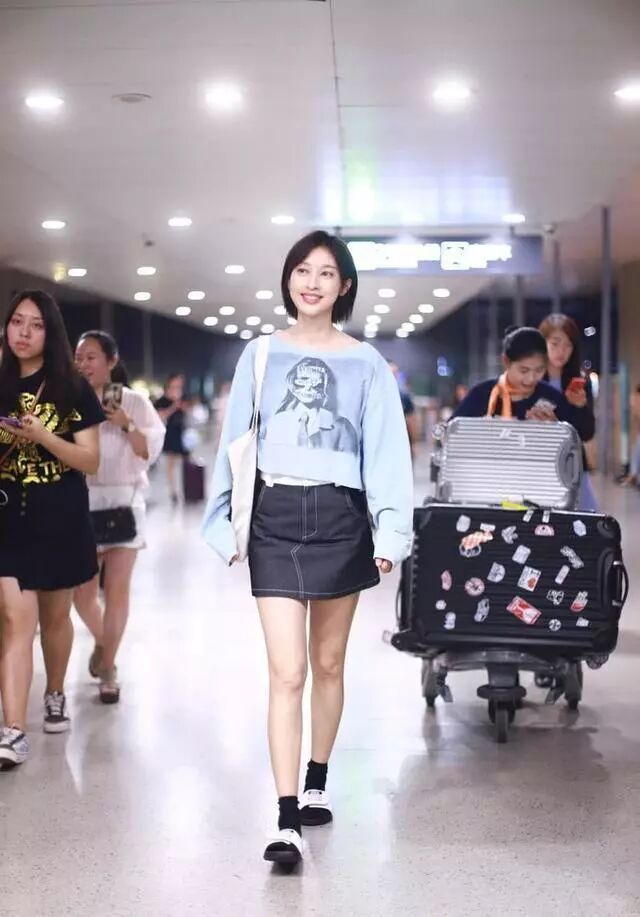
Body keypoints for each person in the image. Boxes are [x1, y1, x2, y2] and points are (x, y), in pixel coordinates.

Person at [203, 230, 413, 868]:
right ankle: (286, 817)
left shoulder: (366, 363)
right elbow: (234, 439)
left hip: (341, 518)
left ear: (344, 285)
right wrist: (223, 519)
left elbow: (385, 451)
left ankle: (318, 775)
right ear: (288, 279)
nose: (312, 282)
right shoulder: (260, 354)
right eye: (302, 270)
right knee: (287, 671)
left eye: (326, 273)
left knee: (327, 663)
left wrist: (390, 531)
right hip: (275, 517)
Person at [0, 290, 103, 769]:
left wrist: (42, 436)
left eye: (36, 324)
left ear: (51, 333)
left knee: (55, 618)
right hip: (8, 516)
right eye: (16, 321)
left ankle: (55, 691)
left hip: (60, 514)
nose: (23, 332)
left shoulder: (71, 387)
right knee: (14, 620)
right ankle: (14, 730)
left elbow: (91, 460)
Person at [73, 331, 165, 703]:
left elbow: (147, 453)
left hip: (125, 502)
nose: (84, 364)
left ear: (111, 361)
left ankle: (108, 666)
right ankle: (104, 643)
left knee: (116, 591)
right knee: (82, 594)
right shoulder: (71, 400)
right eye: (79, 357)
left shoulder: (134, 401)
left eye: (91, 357)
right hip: (81, 504)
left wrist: (126, 423)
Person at [454, 326, 595, 446]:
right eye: (524, 370)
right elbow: (451, 434)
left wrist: (559, 425)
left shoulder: (551, 397)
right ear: (506, 361)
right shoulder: (482, 395)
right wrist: (480, 430)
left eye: (539, 370)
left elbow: (585, 434)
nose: (531, 379)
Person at [538, 313, 598, 511]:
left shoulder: (579, 384)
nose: (561, 351)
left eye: (568, 345)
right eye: (555, 344)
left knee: (584, 520)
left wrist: (579, 407)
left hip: (573, 465)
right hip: (540, 465)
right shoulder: (532, 382)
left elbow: (587, 432)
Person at [154, 374, 188, 504]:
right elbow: (160, 416)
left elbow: (186, 413)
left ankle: (185, 489)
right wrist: (174, 405)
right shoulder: (162, 400)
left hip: (182, 433)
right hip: (169, 433)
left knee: (184, 463)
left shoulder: (183, 397)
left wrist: (182, 406)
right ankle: (173, 491)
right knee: (170, 464)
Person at [388, 361, 419, 458]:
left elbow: (412, 420)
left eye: (394, 373)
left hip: (400, 441)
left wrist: (414, 443)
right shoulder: (372, 395)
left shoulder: (403, 396)